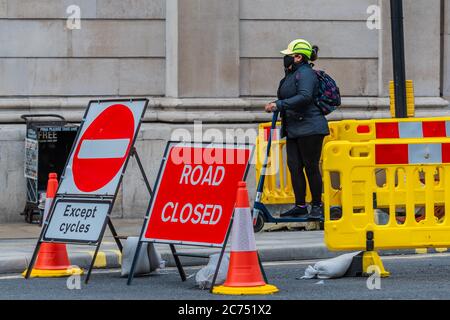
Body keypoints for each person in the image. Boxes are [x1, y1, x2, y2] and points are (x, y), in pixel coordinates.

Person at [264, 39, 329, 220]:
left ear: (298, 57)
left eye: (288, 55)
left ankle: (317, 205)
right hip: (294, 128)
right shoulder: (291, 74)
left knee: (311, 167)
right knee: (294, 166)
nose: (286, 59)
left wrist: (278, 104)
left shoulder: (306, 74)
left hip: (310, 127)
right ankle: (300, 205)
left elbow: (305, 97)